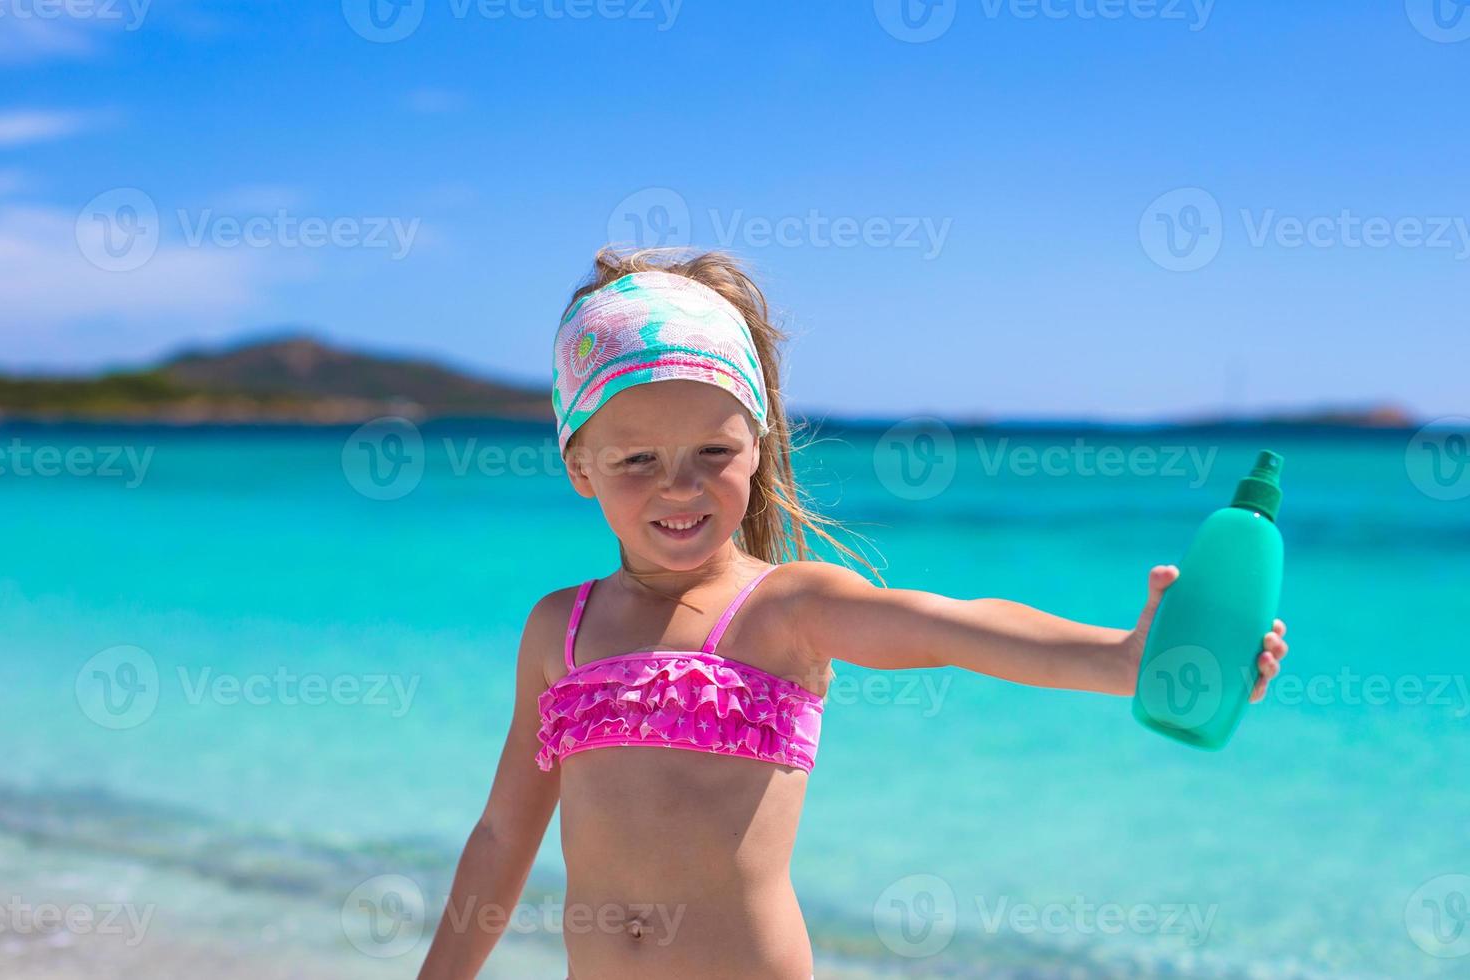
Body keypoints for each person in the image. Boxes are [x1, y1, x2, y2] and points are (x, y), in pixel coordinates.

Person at [415, 247, 1290, 979]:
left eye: (713, 452)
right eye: (637, 458)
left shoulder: (785, 608)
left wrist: (1122, 659)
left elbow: (952, 628)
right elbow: (502, 833)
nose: (678, 485)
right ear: (579, 465)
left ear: (757, 447)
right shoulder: (557, 629)